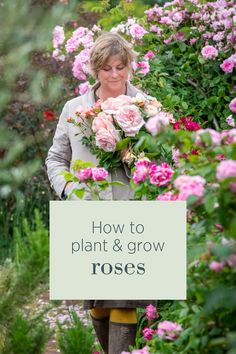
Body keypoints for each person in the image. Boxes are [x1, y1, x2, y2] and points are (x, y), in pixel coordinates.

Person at [46, 32, 157, 354]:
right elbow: (55, 158)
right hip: (88, 213)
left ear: (129, 67)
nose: (114, 75)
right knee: (97, 303)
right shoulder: (74, 108)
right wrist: (68, 188)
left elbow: (162, 156)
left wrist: (134, 157)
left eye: (120, 67)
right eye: (106, 68)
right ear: (95, 69)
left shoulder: (146, 106)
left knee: (126, 299)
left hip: (133, 212)